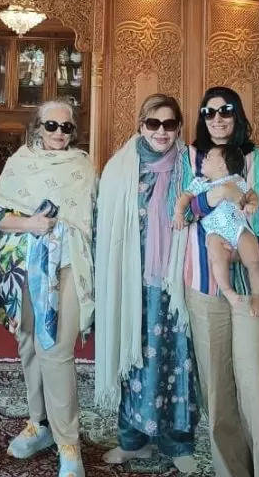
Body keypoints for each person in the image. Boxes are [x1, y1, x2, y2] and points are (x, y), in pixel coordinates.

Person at [181, 86, 259, 476]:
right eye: (209, 113)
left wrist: (247, 247)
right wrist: (216, 197)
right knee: (217, 391)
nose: (218, 119)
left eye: (225, 111)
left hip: (252, 289)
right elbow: (180, 210)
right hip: (205, 289)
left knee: (258, 386)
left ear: (237, 114)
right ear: (202, 118)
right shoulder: (189, 159)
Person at [94, 94, 199, 473]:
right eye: (153, 124)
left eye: (169, 125)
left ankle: (178, 443)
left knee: (177, 362)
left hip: (176, 287)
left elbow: (234, 168)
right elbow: (102, 226)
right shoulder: (121, 167)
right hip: (131, 284)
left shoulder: (191, 164)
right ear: (141, 125)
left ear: (178, 128)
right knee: (132, 359)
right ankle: (131, 440)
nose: (161, 132)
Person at [0, 100, 95, 477]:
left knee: (55, 348)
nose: (58, 133)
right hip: (25, 268)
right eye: (51, 125)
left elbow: (93, 216)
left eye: (66, 127)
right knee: (29, 342)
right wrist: (31, 223)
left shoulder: (83, 166)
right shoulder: (19, 162)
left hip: (67, 266)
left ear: (74, 131)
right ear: (37, 127)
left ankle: (70, 444)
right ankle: (41, 424)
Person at [173, 144, 259, 316]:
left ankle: (257, 296)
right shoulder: (200, 183)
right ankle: (228, 291)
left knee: (255, 261)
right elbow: (185, 197)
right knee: (217, 258)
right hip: (216, 233)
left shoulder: (237, 180)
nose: (203, 160)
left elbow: (252, 194)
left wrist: (252, 203)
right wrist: (178, 213)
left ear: (222, 165)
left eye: (208, 157)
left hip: (238, 228)